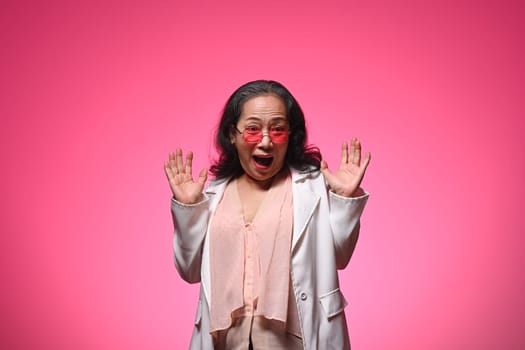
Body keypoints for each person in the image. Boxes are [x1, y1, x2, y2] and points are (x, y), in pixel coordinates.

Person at [164, 80, 371, 350]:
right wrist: (189, 210)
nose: (265, 141)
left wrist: (343, 199)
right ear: (232, 134)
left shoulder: (313, 187)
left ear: (290, 135)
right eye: (252, 129)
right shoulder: (213, 195)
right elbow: (190, 271)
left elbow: (339, 257)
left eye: (277, 130)